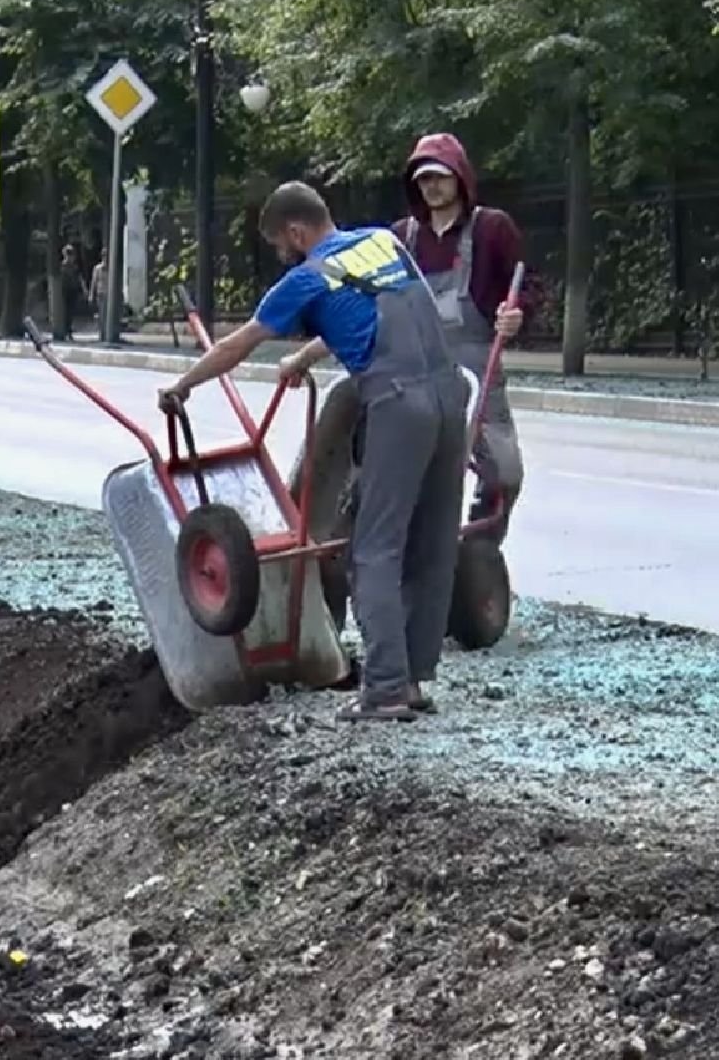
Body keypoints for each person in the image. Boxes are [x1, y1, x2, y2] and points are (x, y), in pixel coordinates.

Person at [157, 182, 467, 722]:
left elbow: (235, 346)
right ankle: (413, 679)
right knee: (433, 542)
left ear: (295, 232)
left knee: (373, 549)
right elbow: (372, 308)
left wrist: (182, 386)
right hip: (449, 395)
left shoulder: (303, 278)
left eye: (283, 244)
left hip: (398, 405)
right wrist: (305, 355)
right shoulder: (383, 244)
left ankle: (386, 689)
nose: (285, 254)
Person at [395, 133, 529, 541]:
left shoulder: (492, 229)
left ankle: (479, 550)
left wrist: (517, 313)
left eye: (440, 176)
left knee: (504, 472)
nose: (431, 186)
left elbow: (526, 283)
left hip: (476, 362)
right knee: (405, 470)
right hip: (418, 370)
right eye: (423, 179)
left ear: (460, 177)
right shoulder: (401, 238)